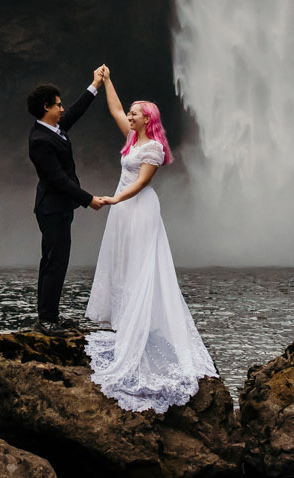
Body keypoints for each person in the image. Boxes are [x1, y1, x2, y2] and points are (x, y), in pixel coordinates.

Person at [82, 65, 217, 412]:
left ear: (147, 120)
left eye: (134, 113)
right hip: (124, 210)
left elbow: (141, 183)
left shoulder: (153, 148)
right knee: (123, 264)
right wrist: (108, 81)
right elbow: (113, 109)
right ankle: (126, 325)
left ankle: (140, 330)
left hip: (138, 209)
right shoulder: (131, 138)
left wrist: (114, 199)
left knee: (142, 267)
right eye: (130, 113)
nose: (128, 115)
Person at [24, 75, 102, 331]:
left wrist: (95, 85)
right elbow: (57, 179)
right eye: (58, 104)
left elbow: (75, 113)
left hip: (60, 208)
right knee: (53, 262)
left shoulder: (54, 130)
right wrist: (88, 199)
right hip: (51, 208)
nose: (62, 108)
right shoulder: (39, 141)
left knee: (55, 261)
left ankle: (50, 316)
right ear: (46, 107)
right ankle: (46, 319)